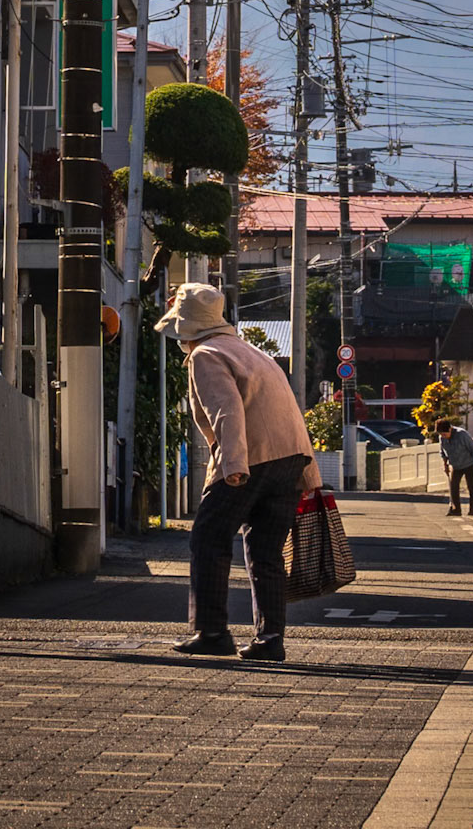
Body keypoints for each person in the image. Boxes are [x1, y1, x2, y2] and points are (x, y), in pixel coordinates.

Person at [156, 282, 322, 663]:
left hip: (250, 458)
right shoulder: (253, 352)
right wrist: (310, 474)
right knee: (266, 552)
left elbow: (226, 411)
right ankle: (270, 638)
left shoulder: (206, 355)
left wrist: (232, 466)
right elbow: (292, 411)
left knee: (208, 538)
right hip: (290, 459)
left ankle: (211, 631)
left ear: (185, 326)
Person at [437, 418, 473, 515]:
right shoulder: (442, 438)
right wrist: (445, 465)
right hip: (455, 465)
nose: (443, 436)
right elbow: (443, 452)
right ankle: (456, 509)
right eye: (441, 434)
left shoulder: (462, 434)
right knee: (453, 487)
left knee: (472, 487)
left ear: (450, 429)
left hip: (469, 463)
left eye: (445, 434)